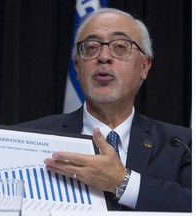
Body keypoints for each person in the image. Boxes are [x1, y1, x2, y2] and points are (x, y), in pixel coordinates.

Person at [17, 8, 192, 212]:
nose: (104, 57)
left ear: (144, 66)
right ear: (77, 66)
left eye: (120, 46)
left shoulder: (182, 145)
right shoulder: (28, 138)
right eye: (91, 47)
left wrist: (122, 182)